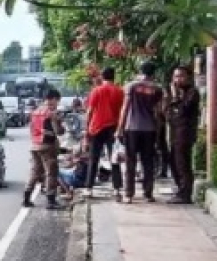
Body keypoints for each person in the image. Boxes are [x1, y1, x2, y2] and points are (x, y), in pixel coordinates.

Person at [116, 61, 166, 203]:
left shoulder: (132, 86)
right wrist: (158, 130)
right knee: (148, 162)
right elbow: (158, 111)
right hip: (149, 129)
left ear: (140, 71)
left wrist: (119, 128)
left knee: (130, 162)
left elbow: (125, 108)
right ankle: (148, 193)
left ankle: (128, 194)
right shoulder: (157, 89)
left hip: (132, 128)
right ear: (153, 73)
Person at [84, 67, 125, 196]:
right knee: (114, 158)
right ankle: (117, 188)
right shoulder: (120, 91)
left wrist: (86, 130)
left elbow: (89, 112)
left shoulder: (97, 91)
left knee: (93, 158)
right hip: (113, 127)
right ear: (114, 76)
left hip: (96, 127)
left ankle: (89, 188)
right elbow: (123, 111)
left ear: (102, 76)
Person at [25, 89, 67, 209]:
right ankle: (51, 201)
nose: (58, 103)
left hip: (34, 145)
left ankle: (26, 198)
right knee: (51, 173)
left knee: (35, 172)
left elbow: (32, 129)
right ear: (53, 99)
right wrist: (61, 125)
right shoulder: (51, 113)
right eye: (58, 100)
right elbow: (58, 131)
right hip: (47, 146)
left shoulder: (35, 111)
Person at [166, 65, 202, 204]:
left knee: (182, 163)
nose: (178, 79)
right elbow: (168, 111)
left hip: (185, 132)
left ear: (188, 78)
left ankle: (185, 193)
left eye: (181, 76)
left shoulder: (192, 92)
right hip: (174, 132)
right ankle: (181, 189)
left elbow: (184, 110)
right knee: (173, 162)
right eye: (175, 76)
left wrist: (176, 96)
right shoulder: (173, 93)